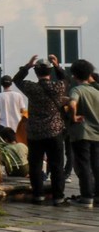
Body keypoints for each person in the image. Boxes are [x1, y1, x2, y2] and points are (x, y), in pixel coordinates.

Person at [13, 55, 68, 205]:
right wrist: (58, 66)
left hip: (35, 131)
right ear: (50, 71)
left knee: (35, 164)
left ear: (35, 72)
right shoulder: (58, 87)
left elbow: (16, 80)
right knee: (56, 165)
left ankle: (38, 195)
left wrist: (27, 66)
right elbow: (66, 79)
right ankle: (58, 196)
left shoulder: (31, 87)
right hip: (54, 130)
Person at [67, 59, 99, 208]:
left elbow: (73, 103)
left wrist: (73, 116)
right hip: (97, 134)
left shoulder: (77, 90)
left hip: (82, 132)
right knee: (96, 164)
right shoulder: (96, 90)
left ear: (74, 75)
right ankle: (97, 195)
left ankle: (86, 197)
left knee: (84, 165)